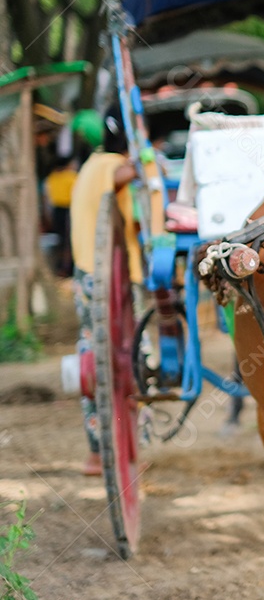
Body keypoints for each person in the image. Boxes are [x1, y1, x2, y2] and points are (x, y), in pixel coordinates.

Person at [70, 106, 140, 475]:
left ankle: (99, 450)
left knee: (94, 357)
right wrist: (144, 161)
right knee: (129, 356)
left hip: (84, 273)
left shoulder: (86, 167)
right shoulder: (108, 164)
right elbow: (122, 174)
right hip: (105, 277)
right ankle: (120, 449)